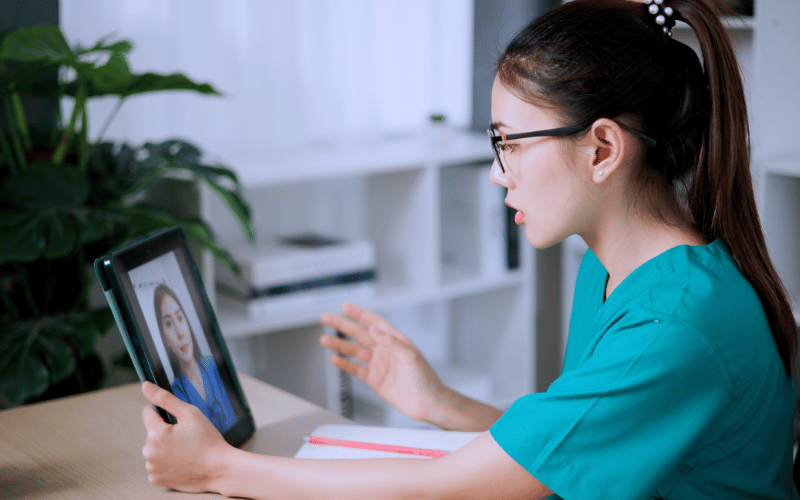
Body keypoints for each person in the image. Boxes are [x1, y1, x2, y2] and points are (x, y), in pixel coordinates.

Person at [139, 0, 799, 497]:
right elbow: (570, 447)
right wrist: (438, 403)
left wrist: (219, 468)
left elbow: (442, 489)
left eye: (510, 143)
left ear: (602, 149)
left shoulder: (672, 327)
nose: (496, 173)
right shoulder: (613, 268)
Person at [153, 283, 237, 434]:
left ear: (188, 323)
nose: (179, 333)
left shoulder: (214, 365)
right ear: (165, 339)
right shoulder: (174, 395)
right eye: (169, 323)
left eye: (180, 318)